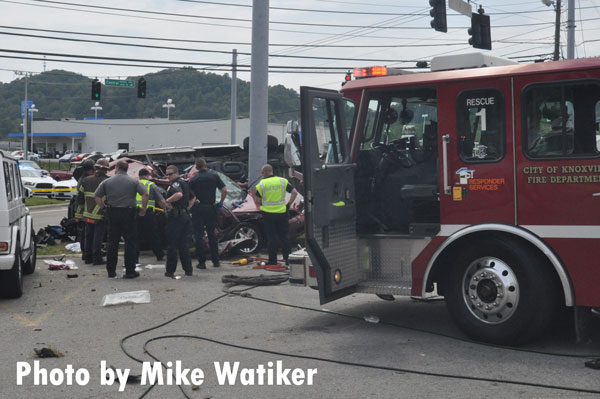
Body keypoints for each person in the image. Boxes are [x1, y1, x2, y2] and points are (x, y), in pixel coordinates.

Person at [94, 160, 148, 279]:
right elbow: (145, 194)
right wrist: (143, 209)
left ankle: (111, 271)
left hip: (113, 213)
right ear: (127, 169)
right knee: (130, 243)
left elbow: (96, 196)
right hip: (129, 214)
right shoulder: (134, 181)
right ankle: (130, 271)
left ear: (117, 168)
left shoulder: (107, 182)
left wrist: (103, 207)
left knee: (112, 243)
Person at [253, 164, 298, 266]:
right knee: (284, 237)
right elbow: (294, 192)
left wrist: (262, 205)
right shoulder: (282, 181)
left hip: (268, 215)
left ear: (264, 173)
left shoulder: (262, 184)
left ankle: (272, 261)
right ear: (271, 171)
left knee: (271, 238)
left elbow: (257, 200)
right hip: (282, 213)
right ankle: (288, 260)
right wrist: (288, 204)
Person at [189, 158, 227, 269]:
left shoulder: (193, 179)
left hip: (198, 209)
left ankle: (201, 262)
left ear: (196, 167)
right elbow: (224, 190)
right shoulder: (214, 176)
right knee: (212, 235)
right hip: (211, 208)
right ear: (206, 165)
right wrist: (220, 203)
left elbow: (190, 196)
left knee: (198, 236)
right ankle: (216, 261)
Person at [164, 165, 195, 277]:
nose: (168, 177)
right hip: (185, 215)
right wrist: (187, 208)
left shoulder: (176, 184)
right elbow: (193, 197)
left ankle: (170, 271)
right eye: (167, 174)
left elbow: (179, 194)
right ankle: (188, 270)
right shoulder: (184, 183)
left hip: (176, 217)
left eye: (170, 174)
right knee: (184, 245)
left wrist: (166, 201)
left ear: (176, 173)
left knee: (172, 245)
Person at [79, 158, 110, 265]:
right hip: (101, 214)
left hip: (87, 214)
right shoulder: (107, 181)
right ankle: (97, 258)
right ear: (106, 170)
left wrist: (79, 214)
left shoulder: (85, 180)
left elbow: (80, 199)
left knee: (88, 235)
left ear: (95, 168)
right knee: (98, 236)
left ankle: (87, 257)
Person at [135, 168, 167, 263]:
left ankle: (134, 257)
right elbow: (160, 200)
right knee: (153, 234)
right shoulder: (151, 185)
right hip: (148, 213)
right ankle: (159, 255)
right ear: (148, 175)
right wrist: (166, 208)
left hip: (135, 212)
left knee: (135, 235)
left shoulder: (134, 184)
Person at [75, 159, 95, 262]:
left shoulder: (81, 179)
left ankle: (85, 253)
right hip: (85, 211)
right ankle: (87, 253)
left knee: (84, 234)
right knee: (86, 234)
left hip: (82, 211)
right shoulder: (86, 180)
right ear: (91, 170)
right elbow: (82, 199)